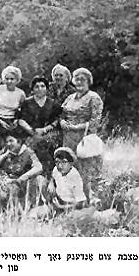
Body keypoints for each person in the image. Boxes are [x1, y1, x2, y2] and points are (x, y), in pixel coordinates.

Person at [60, 67, 104, 203]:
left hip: (84, 139)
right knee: (70, 168)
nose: (79, 82)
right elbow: (61, 114)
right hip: (68, 139)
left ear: (88, 81)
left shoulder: (93, 97)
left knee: (86, 171)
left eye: (82, 79)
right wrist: (62, 122)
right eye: (77, 79)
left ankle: (91, 200)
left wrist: (77, 127)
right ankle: (72, 200)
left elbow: (95, 121)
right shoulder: (69, 97)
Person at [0, 130, 43, 210]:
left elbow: (38, 167)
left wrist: (22, 178)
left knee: (39, 179)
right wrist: (5, 155)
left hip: (20, 181)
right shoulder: (6, 150)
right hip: (6, 180)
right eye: (7, 141)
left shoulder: (27, 152)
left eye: (11, 141)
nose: (8, 144)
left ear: (19, 141)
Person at [18, 76, 61, 176]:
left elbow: (56, 120)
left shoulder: (52, 103)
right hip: (30, 133)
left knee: (45, 144)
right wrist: (31, 131)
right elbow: (21, 120)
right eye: (36, 87)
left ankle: (48, 174)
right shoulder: (27, 102)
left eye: (42, 86)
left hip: (48, 133)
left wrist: (44, 129)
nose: (40, 89)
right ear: (32, 89)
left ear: (47, 88)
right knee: (29, 146)